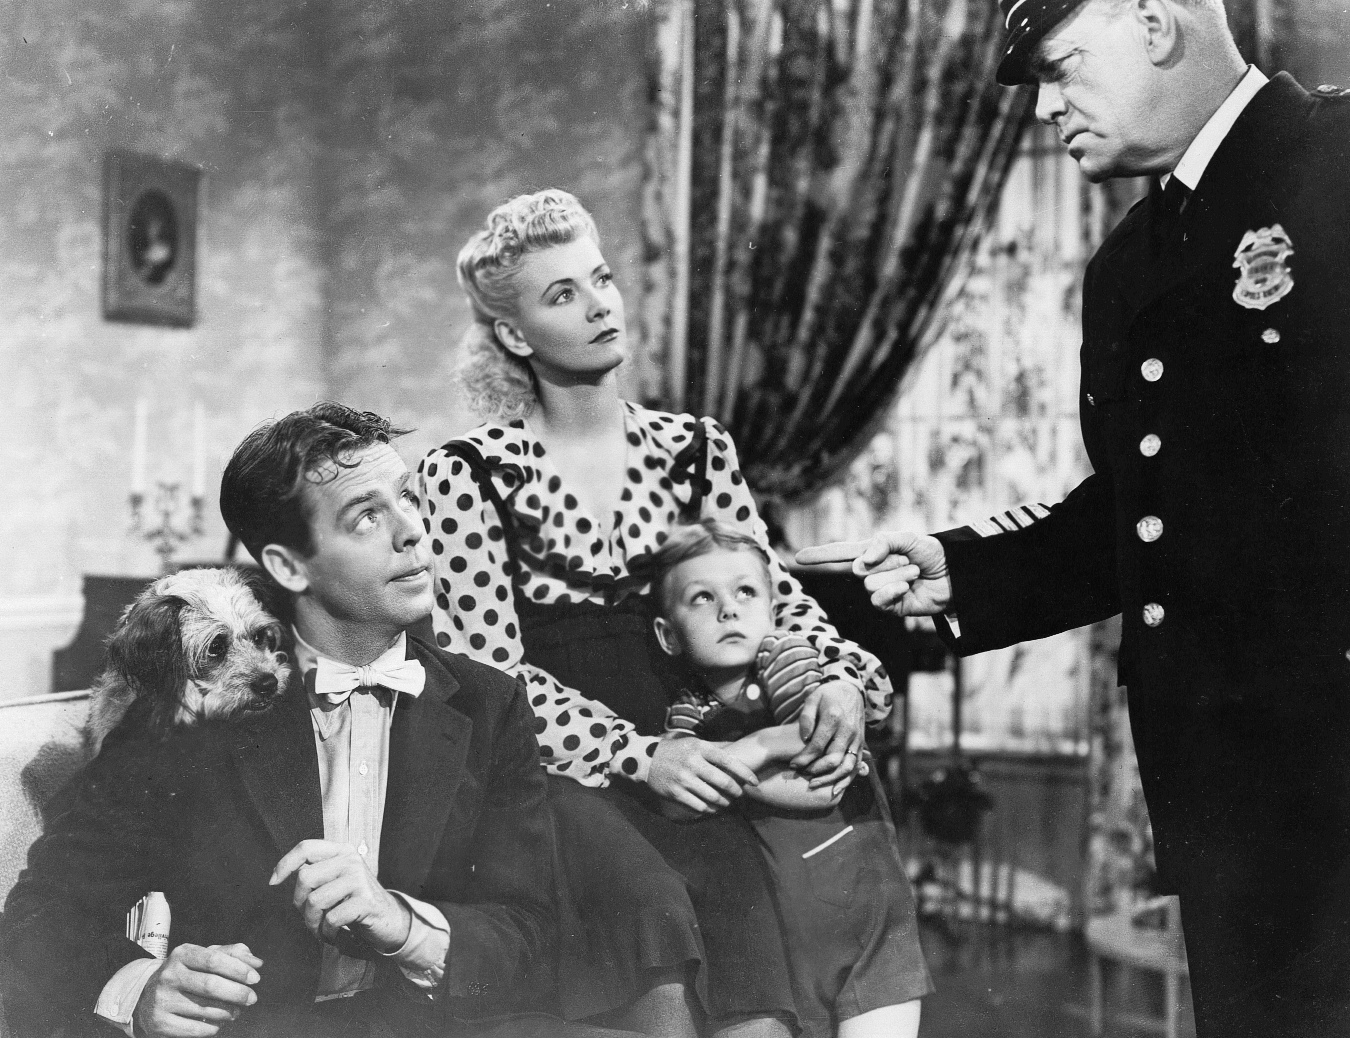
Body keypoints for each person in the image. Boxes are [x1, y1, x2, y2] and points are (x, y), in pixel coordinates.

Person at [797, 1, 1350, 1034]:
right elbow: (1152, 512)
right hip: (1228, 793)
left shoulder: (1338, 161)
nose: (1047, 106)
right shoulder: (1131, 261)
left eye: (1060, 67)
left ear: (1154, 22)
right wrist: (961, 568)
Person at [417, 190, 894, 1038]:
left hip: (697, 746)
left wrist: (841, 676)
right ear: (516, 336)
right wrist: (639, 755)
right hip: (554, 771)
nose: (600, 304)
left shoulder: (694, 448)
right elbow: (488, 677)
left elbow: (772, 599)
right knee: (656, 930)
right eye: (563, 294)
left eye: (601, 279)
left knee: (757, 974)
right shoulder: (467, 472)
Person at [0, 403, 617, 1038]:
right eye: (367, 515)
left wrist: (405, 926)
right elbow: (43, 914)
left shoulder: (490, 702)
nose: (414, 530)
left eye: (408, 498)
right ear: (289, 566)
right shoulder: (189, 709)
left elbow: (531, 930)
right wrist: (137, 990)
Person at [649, 519, 930, 1038]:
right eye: (702, 598)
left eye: (745, 592)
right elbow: (673, 800)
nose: (728, 609)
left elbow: (822, 781)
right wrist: (748, 754)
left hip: (865, 919)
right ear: (668, 636)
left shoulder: (790, 661)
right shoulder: (688, 713)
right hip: (787, 936)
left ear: (773, 608)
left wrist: (737, 760)